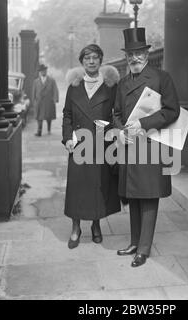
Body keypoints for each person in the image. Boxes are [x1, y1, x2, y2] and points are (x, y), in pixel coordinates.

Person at [113, 28, 180, 267]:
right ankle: (134, 242)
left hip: (152, 144)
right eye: (130, 54)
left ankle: (143, 248)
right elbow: (117, 114)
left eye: (139, 53)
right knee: (133, 194)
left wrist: (142, 123)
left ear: (147, 54)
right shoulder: (122, 84)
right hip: (130, 146)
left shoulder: (162, 78)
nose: (134, 58)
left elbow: (172, 111)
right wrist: (122, 130)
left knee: (149, 196)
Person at [62, 44, 121, 249]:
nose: (91, 61)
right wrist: (68, 138)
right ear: (82, 62)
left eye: (95, 57)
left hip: (101, 144)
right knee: (78, 187)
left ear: (101, 60)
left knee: (98, 186)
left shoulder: (110, 87)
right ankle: (76, 228)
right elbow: (67, 114)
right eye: (87, 58)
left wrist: (113, 135)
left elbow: (116, 114)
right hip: (79, 144)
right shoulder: (74, 87)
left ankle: (96, 225)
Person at [32, 64, 59, 137]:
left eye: (45, 70)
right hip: (39, 102)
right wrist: (33, 101)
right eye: (42, 71)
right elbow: (34, 92)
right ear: (40, 72)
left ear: (46, 71)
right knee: (39, 117)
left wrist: (55, 99)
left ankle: (49, 129)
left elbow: (55, 90)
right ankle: (39, 131)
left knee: (48, 117)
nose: (43, 72)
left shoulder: (52, 80)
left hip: (48, 101)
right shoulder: (36, 81)